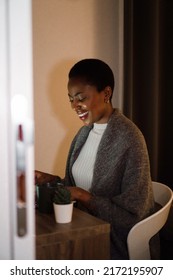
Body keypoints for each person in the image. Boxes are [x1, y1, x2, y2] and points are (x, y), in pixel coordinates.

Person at [35, 58, 155, 259]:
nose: (75, 106)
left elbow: (133, 217)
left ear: (106, 93)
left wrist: (84, 197)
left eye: (81, 97)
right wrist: (50, 180)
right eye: (71, 99)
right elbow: (73, 186)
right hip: (82, 228)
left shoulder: (130, 139)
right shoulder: (84, 134)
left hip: (113, 241)